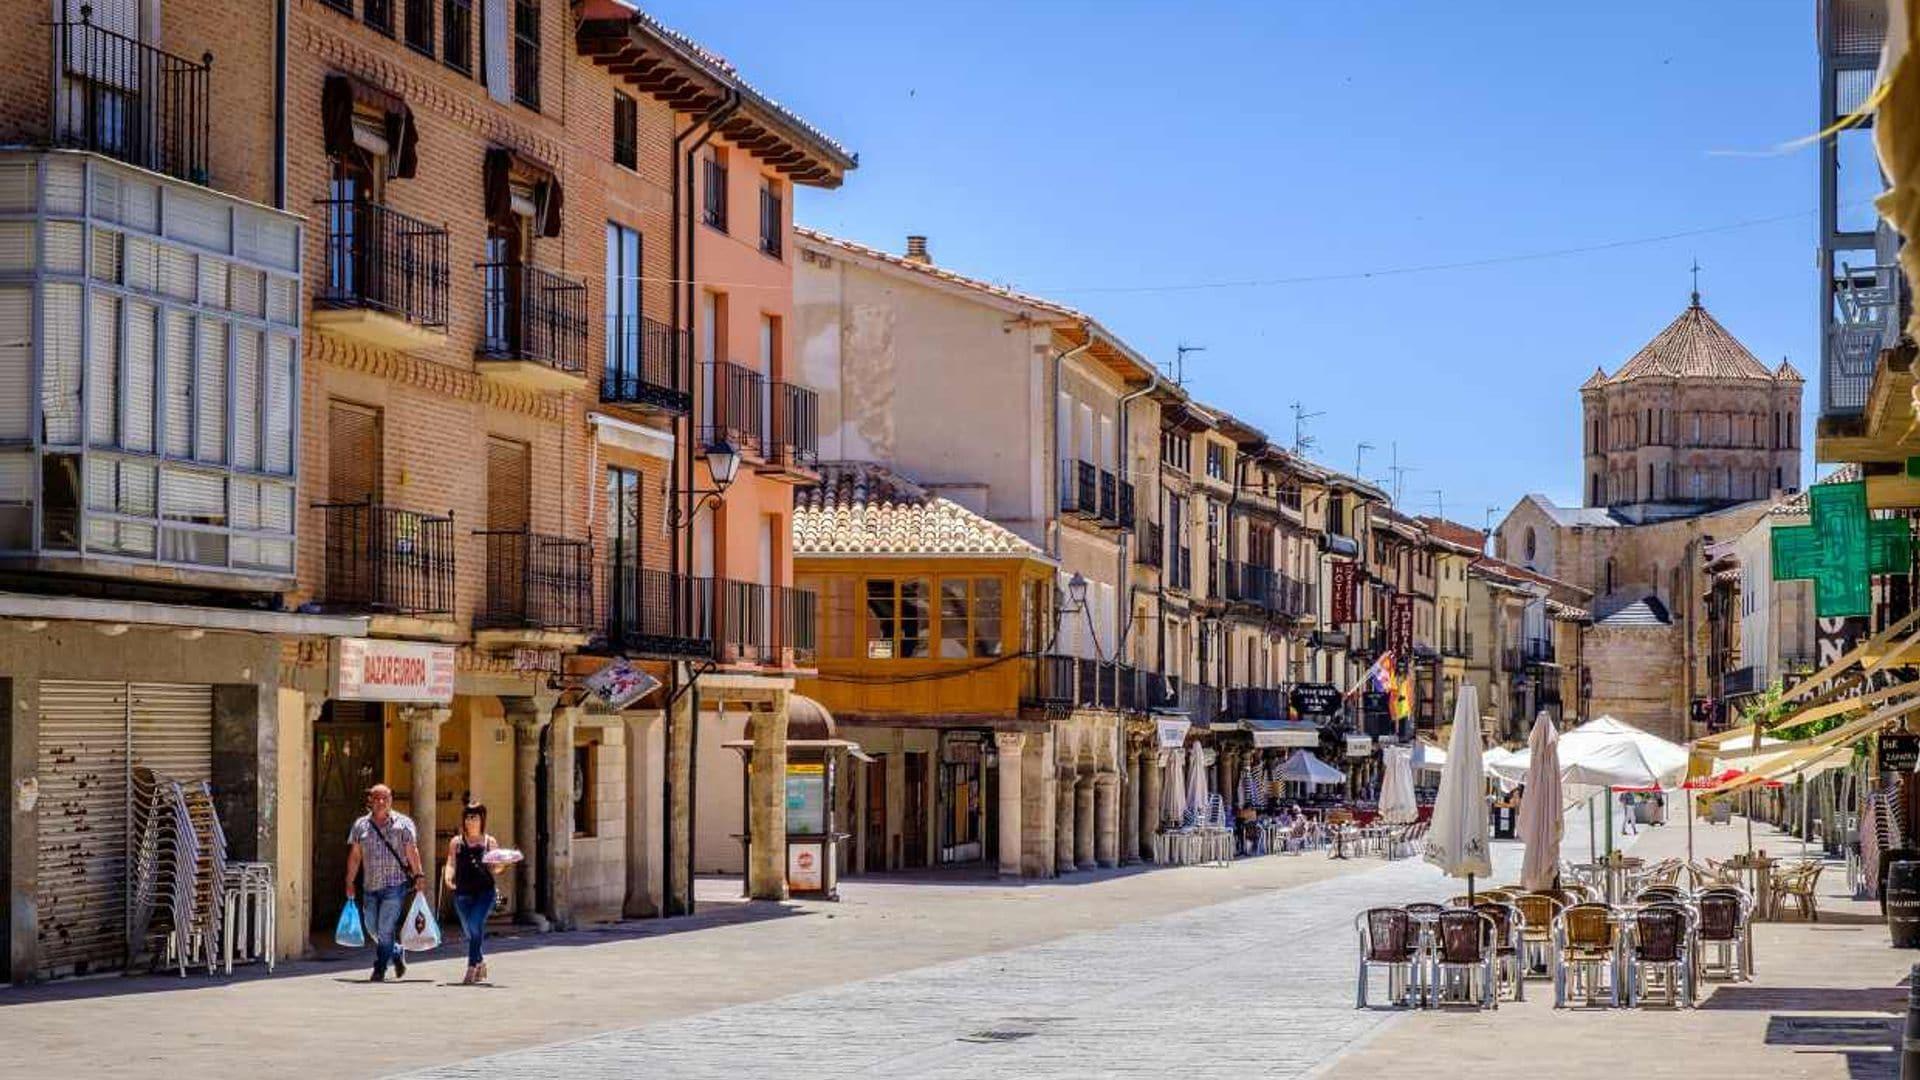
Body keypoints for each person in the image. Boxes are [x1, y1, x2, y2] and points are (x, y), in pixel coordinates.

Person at [345, 783, 425, 982]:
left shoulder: (403, 824)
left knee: (385, 927)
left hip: (395, 886)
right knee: (372, 927)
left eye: (385, 798)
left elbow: (411, 851)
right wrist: (349, 880)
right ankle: (396, 951)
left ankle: (379, 968)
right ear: (370, 801)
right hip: (370, 886)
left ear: (391, 800)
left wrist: (419, 875)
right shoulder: (360, 825)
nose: (381, 802)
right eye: (377, 798)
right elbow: (355, 856)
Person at [443, 802, 506, 984]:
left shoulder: (489, 842)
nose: (471, 820)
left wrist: (503, 864)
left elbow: (495, 868)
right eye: (468, 817)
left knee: (474, 922)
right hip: (462, 892)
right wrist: (448, 877)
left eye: (475, 817)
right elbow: (451, 862)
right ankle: (480, 962)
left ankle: (471, 968)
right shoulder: (457, 842)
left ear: (482, 819)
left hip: (484, 892)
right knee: (471, 931)